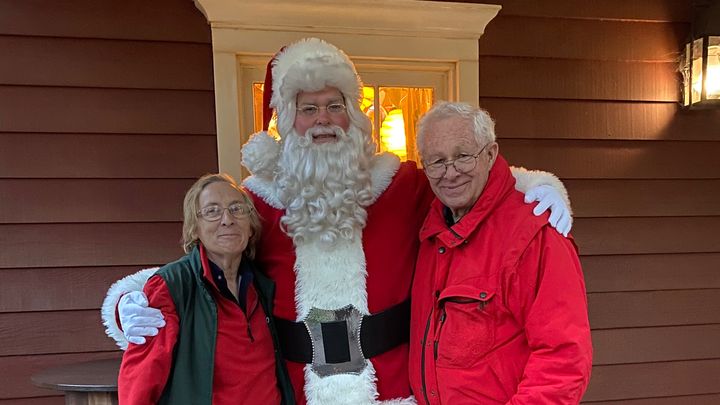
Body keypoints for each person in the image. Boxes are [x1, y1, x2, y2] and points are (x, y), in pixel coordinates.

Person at [102, 38, 573, 405]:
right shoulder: (257, 201)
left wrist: (534, 185)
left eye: (334, 106)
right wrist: (131, 301)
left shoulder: (400, 185)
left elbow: (463, 180)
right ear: (288, 121)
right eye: (308, 109)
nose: (322, 120)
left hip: (393, 390)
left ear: (354, 116)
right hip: (298, 390)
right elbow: (208, 266)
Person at [409, 102, 592, 404]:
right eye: (437, 161)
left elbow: (564, 359)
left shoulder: (535, 235)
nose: (450, 173)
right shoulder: (430, 231)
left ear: (491, 154)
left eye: (463, 156)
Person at [116, 173, 294, 404]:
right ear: (194, 228)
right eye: (212, 211)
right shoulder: (173, 287)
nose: (227, 219)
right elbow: (140, 381)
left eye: (237, 209)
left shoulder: (262, 285)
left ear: (251, 227)